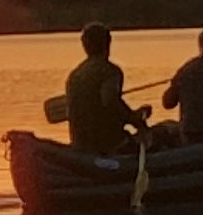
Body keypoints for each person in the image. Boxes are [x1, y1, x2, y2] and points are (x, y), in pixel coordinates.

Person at [43, 24, 141, 155]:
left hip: (80, 144)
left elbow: (98, 106)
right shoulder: (110, 71)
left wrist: (132, 114)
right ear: (108, 42)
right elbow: (109, 101)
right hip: (110, 145)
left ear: (84, 46)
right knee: (162, 135)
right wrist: (135, 119)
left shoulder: (75, 75)